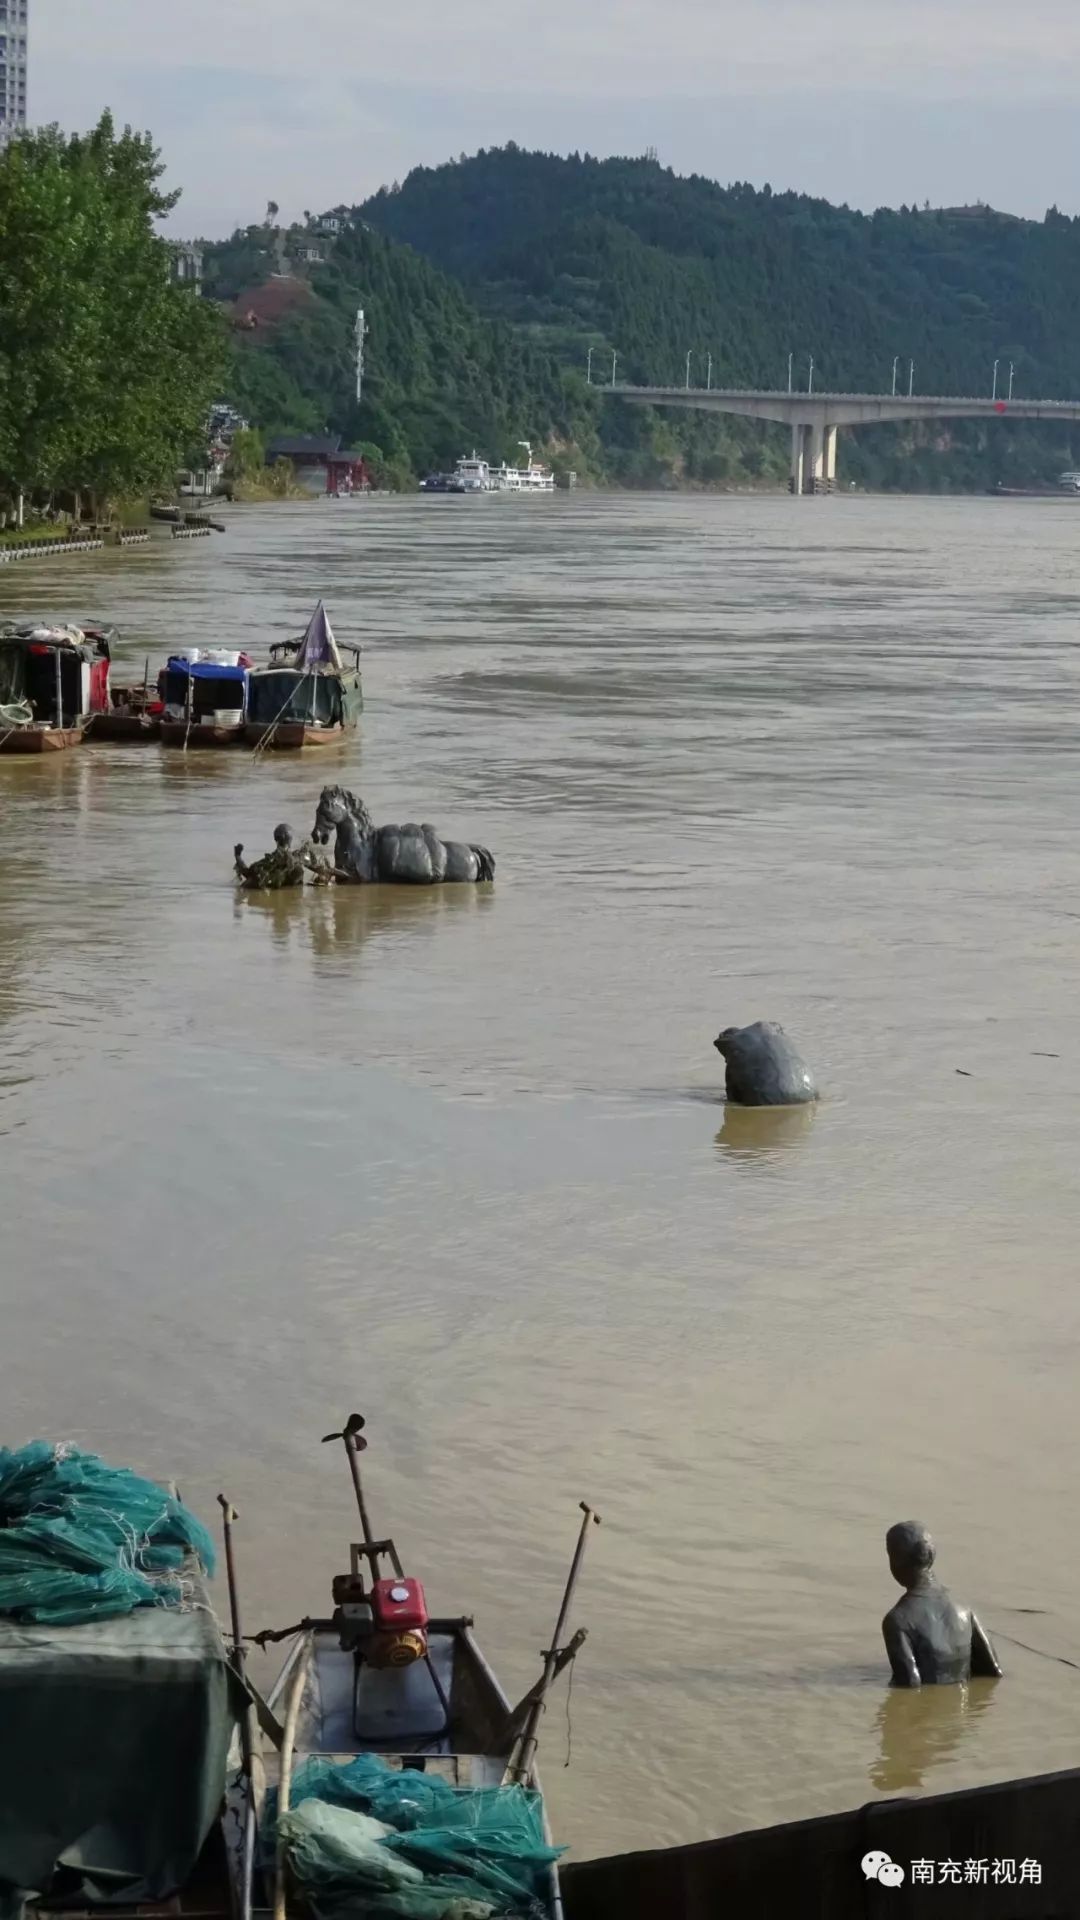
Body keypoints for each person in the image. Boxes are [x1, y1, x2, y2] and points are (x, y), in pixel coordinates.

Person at [882, 1521, 1002, 1687]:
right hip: (962, 1700)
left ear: (895, 1561)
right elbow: (993, 1671)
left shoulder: (897, 1620)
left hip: (927, 1703)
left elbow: (909, 1684)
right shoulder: (964, 1607)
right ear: (932, 1555)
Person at [233, 823, 311, 890]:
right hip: (289, 892)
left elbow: (249, 872)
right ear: (289, 839)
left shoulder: (271, 859)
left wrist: (238, 857)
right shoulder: (296, 857)